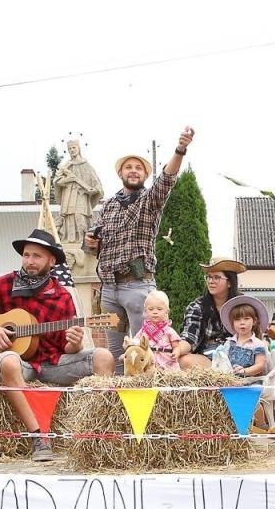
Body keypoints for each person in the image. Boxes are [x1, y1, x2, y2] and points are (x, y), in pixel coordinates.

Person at [0, 228, 114, 463]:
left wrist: (74, 344)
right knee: (8, 360)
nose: (29, 261)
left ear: (51, 260)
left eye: (36, 256)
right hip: (13, 365)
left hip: (50, 364)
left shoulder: (62, 297)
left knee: (104, 357)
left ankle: (96, 435)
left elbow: (65, 349)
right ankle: (38, 435)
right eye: (26, 255)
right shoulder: (7, 283)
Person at [84, 126, 196, 358]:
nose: (133, 171)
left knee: (146, 352)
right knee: (115, 354)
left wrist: (180, 150)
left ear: (145, 175)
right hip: (109, 290)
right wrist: (92, 243)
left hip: (137, 287)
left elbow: (166, 179)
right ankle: (116, 394)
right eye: (129, 167)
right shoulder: (109, 206)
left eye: (139, 168)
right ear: (121, 174)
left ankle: (144, 394)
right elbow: (95, 242)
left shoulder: (150, 200)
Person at [176, 257, 244, 369]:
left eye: (217, 277)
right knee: (183, 360)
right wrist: (177, 350)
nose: (211, 281)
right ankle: (221, 376)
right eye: (208, 277)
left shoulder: (243, 304)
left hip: (239, 358)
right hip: (208, 360)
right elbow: (189, 337)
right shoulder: (197, 306)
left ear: (230, 282)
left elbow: (257, 333)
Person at [54, 136, 105, 258]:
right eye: (70, 148)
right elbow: (57, 181)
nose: (72, 150)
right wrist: (68, 180)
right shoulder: (65, 166)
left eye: (74, 148)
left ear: (79, 148)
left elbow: (97, 184)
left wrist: (93, 190)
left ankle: (84, 241)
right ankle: (69, 241)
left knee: (79, 217)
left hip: (81, 196)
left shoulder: (85, 164)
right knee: (68, 217)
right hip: (68, 195)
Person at [219, 295, 271, 379]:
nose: (242, 322)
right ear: (232, 323)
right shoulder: (229, 343)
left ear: (254, 321)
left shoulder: (258, 344)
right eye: (237, 319)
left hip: (252, 381)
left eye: (246, 319)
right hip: (230, 380)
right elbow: (223, 361)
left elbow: (260, 365)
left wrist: (244, 372)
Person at [138, 290, 186, 369]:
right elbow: (136, 343)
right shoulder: (143, 330)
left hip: (166, 363)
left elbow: (176, 346)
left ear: (167, 311)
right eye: (151, 309)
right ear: (146, 311)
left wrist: (176, 352)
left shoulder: (169, 331)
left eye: (159, 309)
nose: (155, 312)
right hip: (149, 364)